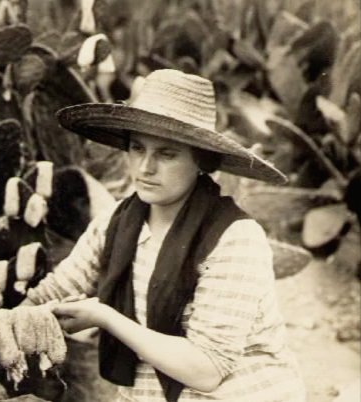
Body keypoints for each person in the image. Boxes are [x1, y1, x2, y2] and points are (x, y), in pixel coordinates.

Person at [22, 69, 305, 401]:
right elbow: (52, 294)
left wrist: (104, 316)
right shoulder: (116, 222)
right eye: (137, 148)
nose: (145, 168)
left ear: (201, 160)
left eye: (166, 154)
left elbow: (207, 369)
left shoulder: (235, 238)